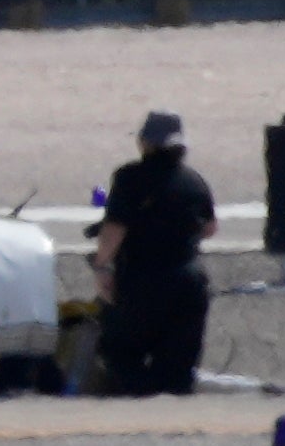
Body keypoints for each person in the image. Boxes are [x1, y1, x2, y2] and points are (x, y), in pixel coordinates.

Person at [92, 110, 218, 396]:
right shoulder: (194, 182)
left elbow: (114, 230)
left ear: (144, 143)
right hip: (188, 281)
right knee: (178, 372)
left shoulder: (129, 178)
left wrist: (101, 267)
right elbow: (210, 228)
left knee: (122, 357)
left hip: (141, 281)